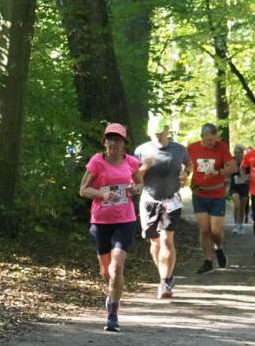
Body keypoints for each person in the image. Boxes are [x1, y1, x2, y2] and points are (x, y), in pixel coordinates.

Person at [79, 123, 147, 332]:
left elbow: (139, 184)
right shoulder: (96, 162)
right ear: (104, 142)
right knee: (106, 271)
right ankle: (112, 295)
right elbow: (83, 190)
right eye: (110, 139)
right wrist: (101, 194)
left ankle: (112, 315)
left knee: (117, 266)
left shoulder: (132, 163)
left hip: (124, 220)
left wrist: (136, 188)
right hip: (100, 222)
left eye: (117, 140)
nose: (113, 143)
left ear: (124, 144)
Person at [134, 120, 192, 299]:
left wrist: (185, 173)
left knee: (167, 240)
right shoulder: (141, 150)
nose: (157, 136)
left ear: (167, 131)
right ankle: (165, 274)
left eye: (160, 132)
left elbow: (189, 164)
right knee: (155, 243)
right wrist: (144, 168)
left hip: (171, 200)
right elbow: (134, 177)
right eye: (154, 133)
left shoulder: (179, 149)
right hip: (149, 200)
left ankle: (165, 282)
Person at [187, 123, 237, 274]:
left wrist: (218, 172)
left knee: (215, 231)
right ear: (202, 137)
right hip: (199, 193)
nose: (211, 143)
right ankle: (208, 261)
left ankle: (219, 248)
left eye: (213, 140)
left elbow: (233, 167)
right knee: (204, 229)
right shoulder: (191, 148)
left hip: (217, 194)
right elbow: (186, 167)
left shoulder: (221, 147)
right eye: (208, 140)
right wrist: (184, 175)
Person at [229, 144, 250, 234]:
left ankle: (240, 225)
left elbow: (251, 173)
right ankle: (235, 225)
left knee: (242, 207)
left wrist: (246, 177)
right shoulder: (231, 161)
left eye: (238, 152)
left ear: (242, 153)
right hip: (234, 187)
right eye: (235, 152)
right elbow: (227, 172)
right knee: (237, 205)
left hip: (244, 187)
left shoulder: (246, 162)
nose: (236, 154)